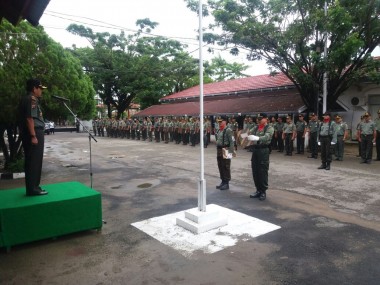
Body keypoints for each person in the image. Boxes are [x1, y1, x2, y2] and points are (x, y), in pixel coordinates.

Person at [18, 78, 48, 196]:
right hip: (34, 132)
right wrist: (33, 136)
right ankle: (32, 189)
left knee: (33, 161)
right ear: (34, 88)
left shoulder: (28, 99)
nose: (41, 91)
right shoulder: (32, 99)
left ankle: (34, 186)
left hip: (33, 132)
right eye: (40, 88)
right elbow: (29, 118)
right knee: (34, 161)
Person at [248, 113, 274, 201]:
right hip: (255, 150)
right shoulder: (256, 127)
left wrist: (257, 138)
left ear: (266, 119)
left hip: (263, 150)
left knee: (262, 171)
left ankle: (263, 191)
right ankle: (258, 190)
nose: (259, 120)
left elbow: (267, 137)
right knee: (255, 170)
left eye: (261, 118)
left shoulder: (269, 128)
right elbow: (248, 133)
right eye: (258, 118)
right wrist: (243, 136)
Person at [215, 117, 235, 190]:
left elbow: (232, 141)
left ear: (225, 122)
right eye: (218, 121)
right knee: (220, 165)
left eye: (221, 121)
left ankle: (226, 183)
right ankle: (223, 181)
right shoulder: (219, 130)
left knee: (226, 166)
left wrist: (231, 152)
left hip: (226, 149)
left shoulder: (228, 130)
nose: (219, 123)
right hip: (219, 149)